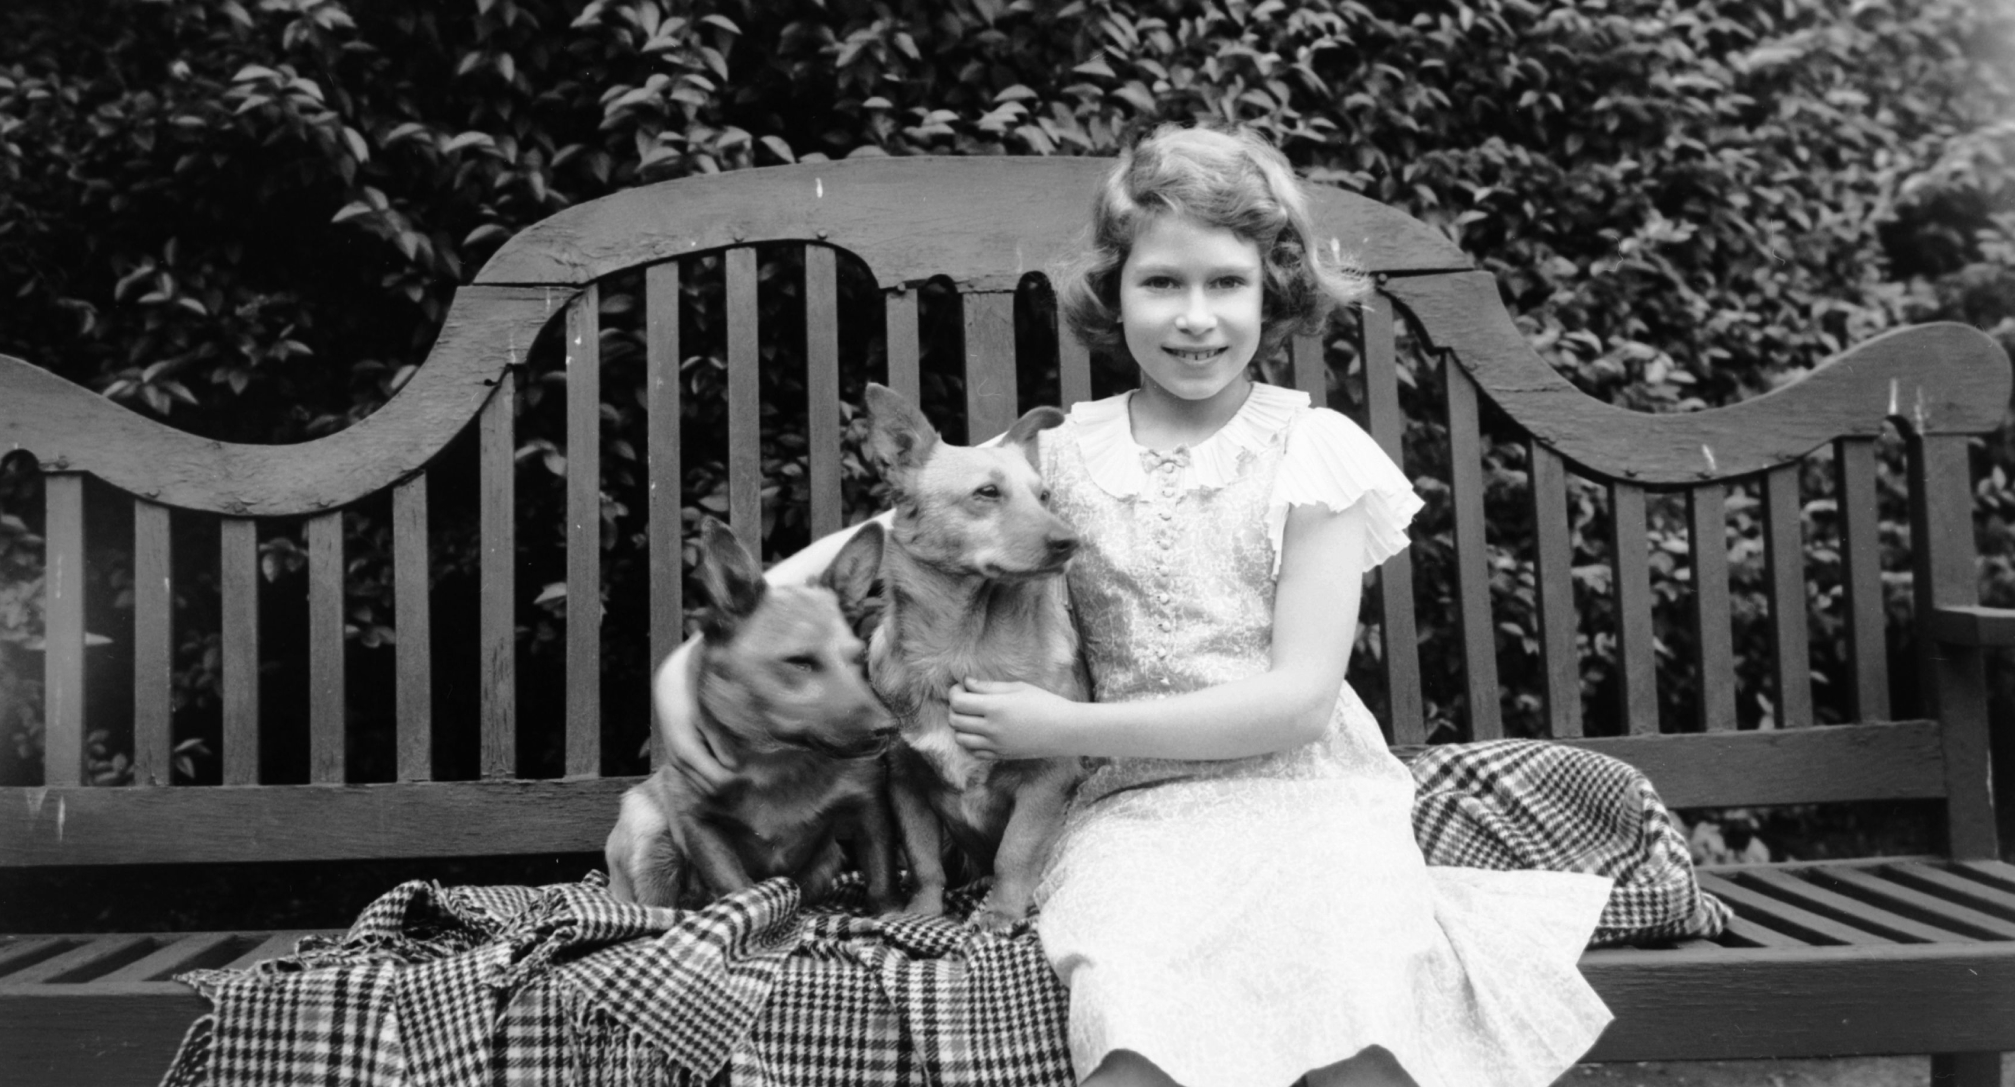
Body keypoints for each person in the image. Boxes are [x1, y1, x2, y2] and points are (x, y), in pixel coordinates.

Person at [661, 125, 1613, 1087]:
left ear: (1273, 289)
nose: (1194, 317)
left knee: (1353, 982)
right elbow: (881, 536)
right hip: (1130, 809)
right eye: (1162, 282)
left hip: (1304, 793)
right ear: (1112, 292)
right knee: (1135, 988)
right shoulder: (1059, 455)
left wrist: (1066, 721)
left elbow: (1299, 703)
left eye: (1225, 283)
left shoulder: (1312, 450)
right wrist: (678, 674)